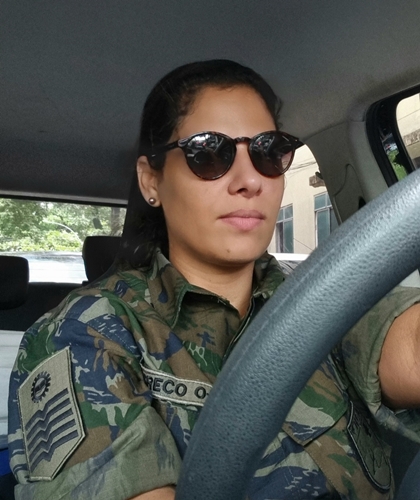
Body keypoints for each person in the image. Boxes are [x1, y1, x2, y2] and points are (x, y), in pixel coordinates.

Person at [7, 59, 420, 500]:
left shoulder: (325, 296)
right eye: (208, 152)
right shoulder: (85, 332)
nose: (250, 180)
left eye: (268, 152)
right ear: (151, 181)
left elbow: (410, 350)